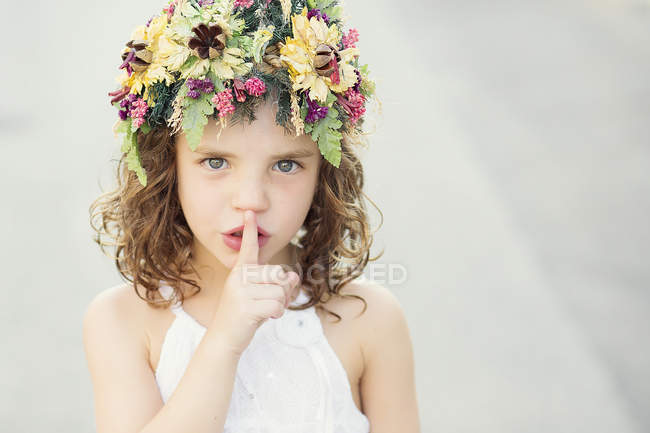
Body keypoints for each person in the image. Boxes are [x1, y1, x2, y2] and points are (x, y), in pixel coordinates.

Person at [83, 1, 420, 432]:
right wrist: (224, 340)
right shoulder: (122, 321)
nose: (251, 200)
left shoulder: (369, 318)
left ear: (323, 176)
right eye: (216, 162)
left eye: (285, 166)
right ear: (169, 168)